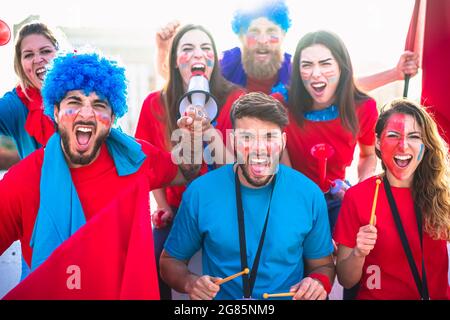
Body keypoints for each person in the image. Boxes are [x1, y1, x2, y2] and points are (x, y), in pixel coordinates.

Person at [0, 51, 205, 288]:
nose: (86, 113)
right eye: (74, 102)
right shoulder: (23, 180)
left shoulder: (135, 159)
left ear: (112, 117)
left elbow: (185, 171)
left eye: (99, 105)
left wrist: (192, 137)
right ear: (55, 112)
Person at [160, 92, 335, 300]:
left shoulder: (309, 194)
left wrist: (317, 282)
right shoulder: (200, 192)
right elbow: (169, 261)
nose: (259, 148)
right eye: (247, 137)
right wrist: (190, 283)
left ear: (283, 141)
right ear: (233, 141)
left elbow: (323, 265)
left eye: (270, 137)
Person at [135, 24, 244, 299]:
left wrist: (210, 135)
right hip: (178, 208)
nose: (198, 55)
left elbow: (240, 170)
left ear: (215, 60)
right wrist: (162, 207)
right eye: (187, 49)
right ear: (174, 61)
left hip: (226, 207)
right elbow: (147, 165)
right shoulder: (154, 104)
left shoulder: (236, 100)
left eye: (206, 48)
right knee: (150, 259)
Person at [155, 1, 419, 95]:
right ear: (240, 35)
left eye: (271, 33)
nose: (261, 40)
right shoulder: (225, 64)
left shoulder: (296, 68)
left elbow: (344, 88)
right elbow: (181, 80)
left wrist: (394, 74)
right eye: (253, 33)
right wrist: (164, 49)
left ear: (283, 36)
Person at [334, 99, 450, 300]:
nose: (403, 146)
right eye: (393, 135)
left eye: (414, 137)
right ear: (378, 142)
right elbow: (346, 280)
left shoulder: (443, 192)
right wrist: (358, 253)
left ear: (425, 144)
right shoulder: (357, 197)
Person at [283, 30, 378, 231]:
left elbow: (369, 155)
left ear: (342, 67)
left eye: (325, 63)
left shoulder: (364, 107)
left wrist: (360, 190)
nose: (316, 73)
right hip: (292, 199)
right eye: (307, 65)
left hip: (338, 199)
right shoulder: (281, 104)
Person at [0, 22, 58, 160]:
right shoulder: (16, 105)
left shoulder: (85, 92)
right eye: (28, 55)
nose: (38, 59)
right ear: (20, 64)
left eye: (46, 51)